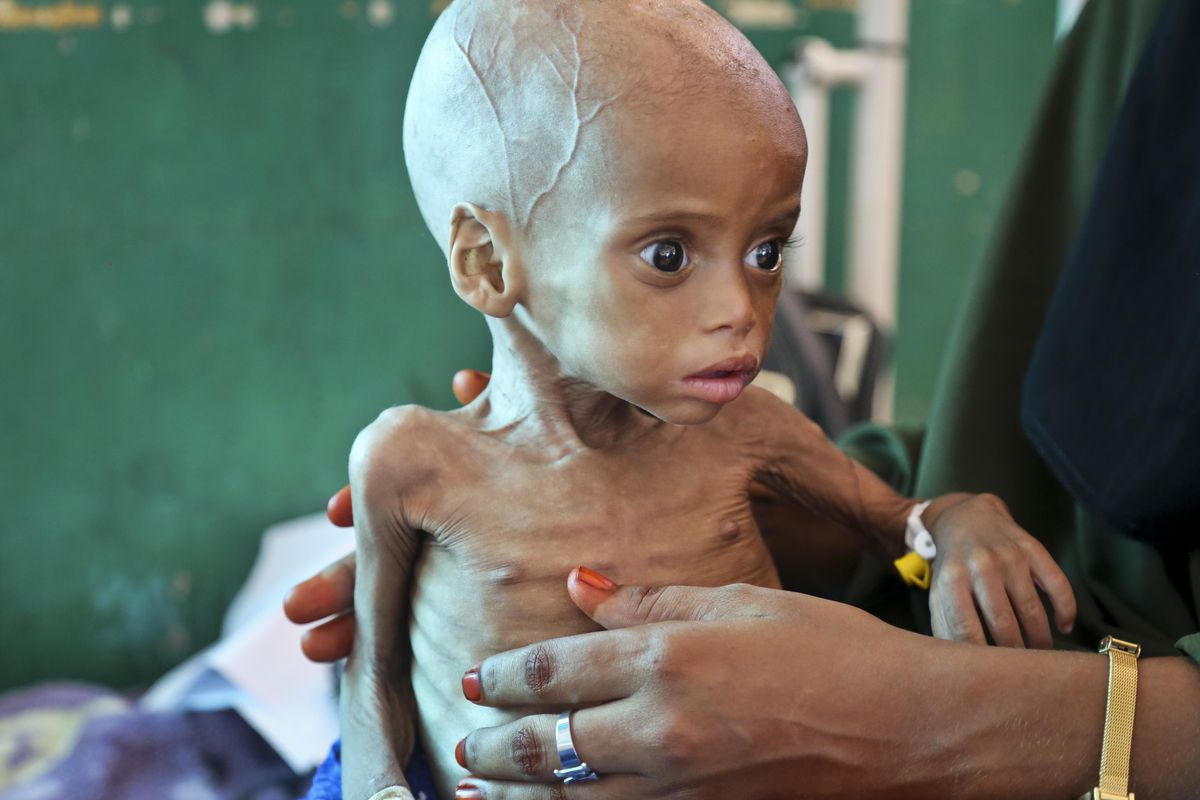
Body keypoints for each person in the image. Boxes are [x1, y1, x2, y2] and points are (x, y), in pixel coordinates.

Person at [289, 0, 1200, 796]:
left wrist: (961, 527)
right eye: (668, 256)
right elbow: (369, 676)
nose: (742, 313)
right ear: (489, 263)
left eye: (768, 252)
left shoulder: (749, 433)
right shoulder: (411, 464)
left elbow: (909, 523)